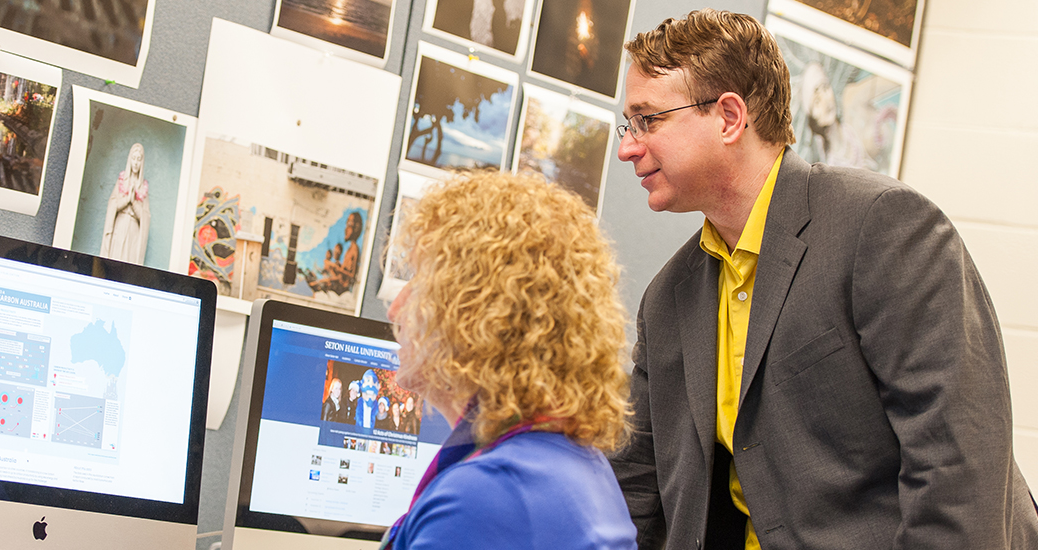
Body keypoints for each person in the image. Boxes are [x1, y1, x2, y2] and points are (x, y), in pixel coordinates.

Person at [610, 9, 1038, 550]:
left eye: (648, 120)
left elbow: (959, 465)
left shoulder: (883, 227)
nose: (628, 146)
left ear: (728, 117)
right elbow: (637, 497)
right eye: (629, 125)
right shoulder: (668, 299)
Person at [381, 172, 636, 550]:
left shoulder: (486, 495)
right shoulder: (572, 463)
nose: (395, 309)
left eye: (418, 281)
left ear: (474, 314)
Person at [101, 143, 151, 264]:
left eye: (139, 159)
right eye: (133, 158)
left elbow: (145, 217)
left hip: (133, 232)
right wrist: (126, 200)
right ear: (130, 159)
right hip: (120, 226)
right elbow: (113, 205)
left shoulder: (143, 187)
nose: (135, 163)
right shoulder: (122, 181)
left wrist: (134, 202)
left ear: (142, 162)